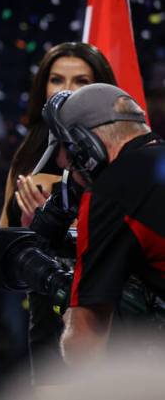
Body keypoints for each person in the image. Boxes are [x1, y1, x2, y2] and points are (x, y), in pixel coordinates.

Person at [0, 42, 115, 383]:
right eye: (57, 80)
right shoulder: (28, 154)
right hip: (47, 312)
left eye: (80, 81)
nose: (67, 91)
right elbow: (3, 255)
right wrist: (32, 232)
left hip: (108, 310)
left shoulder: (119, 150)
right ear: (43, 88)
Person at [36, 84, 163, 366]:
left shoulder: (112, 190)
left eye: (70, 158)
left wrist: (64, 298)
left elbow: (85, 344)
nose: (66, 166)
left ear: (86, 149)